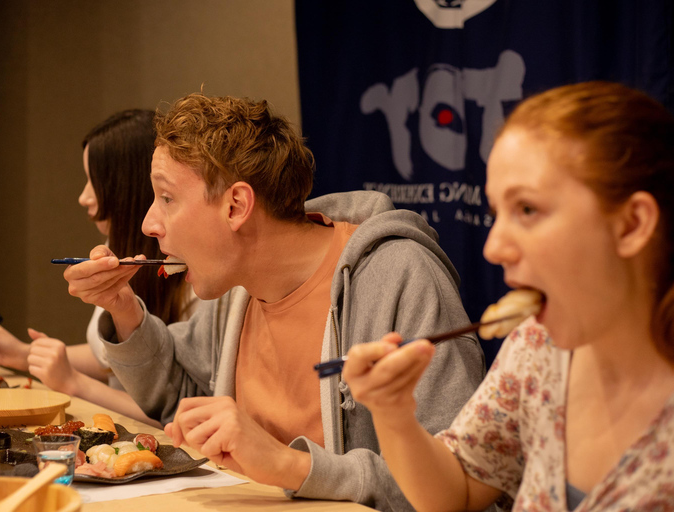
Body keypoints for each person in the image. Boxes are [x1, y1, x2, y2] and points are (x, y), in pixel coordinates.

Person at [62, 93, 486, 509]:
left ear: (237, 206)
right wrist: (122, 304)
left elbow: (460, 482)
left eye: (167, 198)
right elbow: (181, 395)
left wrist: (291, 465)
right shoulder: (237, 286)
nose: (148, 223)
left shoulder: (400, 276)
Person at [343, 81, 674, 511]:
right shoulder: (537, 348)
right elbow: (456, 492)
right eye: (498, 212)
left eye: (528, 209)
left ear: (631, 224)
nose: (493, 248)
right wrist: (392, 413)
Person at [0, 109, 196, 427]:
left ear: (127, 186)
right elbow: (108, 359)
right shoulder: (118, 259)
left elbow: (177, 409)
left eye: (94, 181)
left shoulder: (198, 279)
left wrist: (73, 382)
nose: (83, 197)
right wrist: (23, 354)